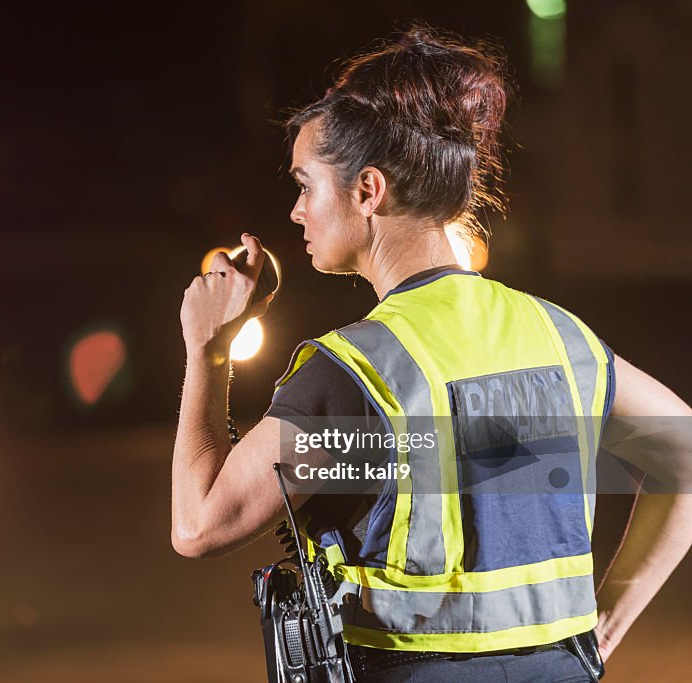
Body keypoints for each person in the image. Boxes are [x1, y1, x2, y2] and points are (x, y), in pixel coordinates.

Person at [170, 25, 692, 682]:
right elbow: (684, 453)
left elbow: (200, 523)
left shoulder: (357, 369)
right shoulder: (561, 338)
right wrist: (603, 627)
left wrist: (208, 350)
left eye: (306, 185)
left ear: (368, 191)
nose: (297, 212)